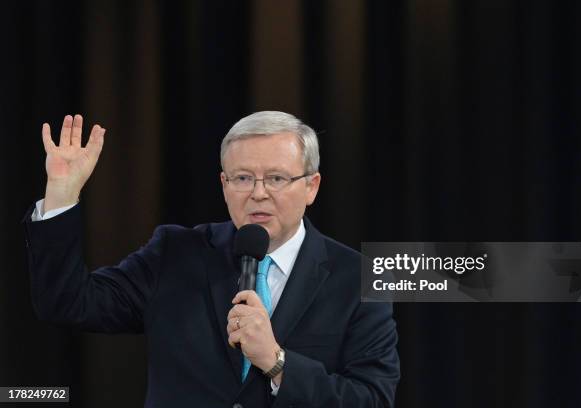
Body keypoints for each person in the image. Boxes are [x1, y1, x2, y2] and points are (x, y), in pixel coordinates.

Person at [23, 111, 400, 407]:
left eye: (276, 179)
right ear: (224, 185)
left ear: (311, 186)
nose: (258, 194)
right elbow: (68, 303)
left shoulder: (357, 278)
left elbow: (371, 399)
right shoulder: (174, 253)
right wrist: (61, 194)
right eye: (242, 178)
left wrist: (277, 362)